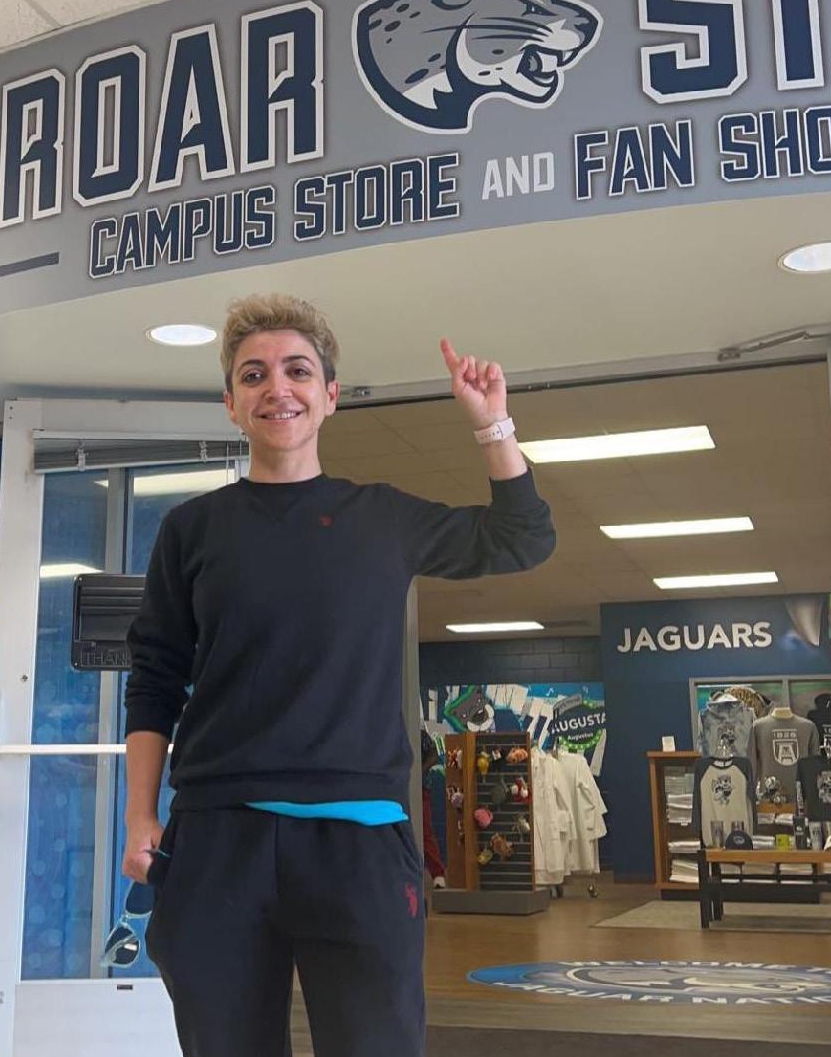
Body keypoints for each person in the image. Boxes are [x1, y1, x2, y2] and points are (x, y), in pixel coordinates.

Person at [121, 293, 555, 1057]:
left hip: (360, 844)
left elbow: (522, 538)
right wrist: (139, 817)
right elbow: (155, 675)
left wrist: (493, 424)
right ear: (231, 404)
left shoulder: (382, 519)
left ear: (329, 395)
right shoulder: (191, 529)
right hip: (218, 839)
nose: (275, 388)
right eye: (253, 375)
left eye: (297, 371)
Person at [420, 730, 447, 893]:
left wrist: (420, 771)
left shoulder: (421, 734)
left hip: (421, 787)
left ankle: (438, 873)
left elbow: (434, 756)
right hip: (396, 787)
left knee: (425, 831)